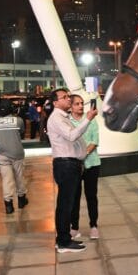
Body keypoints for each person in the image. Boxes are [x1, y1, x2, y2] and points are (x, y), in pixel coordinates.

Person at [46, 88, 98, 253]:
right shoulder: (56, 118)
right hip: (66, 165)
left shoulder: (63, 117)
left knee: (66, 204)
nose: (68, 99)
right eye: (65, 97)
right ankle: (63, 242)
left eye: (69, 96)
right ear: (55, 102)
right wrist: (87, 119)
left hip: (71, 164)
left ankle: (64, 239)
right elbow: (72, 135)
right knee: (65, 205)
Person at [68, 95, 101, 239]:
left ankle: (94, 226)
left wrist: (84, 154)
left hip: (91, 163)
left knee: (91, 196)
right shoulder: (66, 122)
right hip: (73, 164)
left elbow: (95, 141)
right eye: (77, 104)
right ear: (70, 106)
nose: (80, 106)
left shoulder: (91, 120)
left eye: (82, 103)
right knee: (74, 197)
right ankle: (74, 227)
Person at [0, 101, 29, 214]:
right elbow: (21, 135)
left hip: (2, 154)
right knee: (19, 177)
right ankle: (21, 200)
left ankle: (9, 205)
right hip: (17, 153)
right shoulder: (19, 120)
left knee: (7, 180)